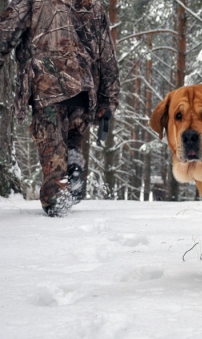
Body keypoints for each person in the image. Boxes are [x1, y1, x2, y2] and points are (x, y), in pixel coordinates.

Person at [0, 0, 120, 217]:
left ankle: (58, 198)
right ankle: (72, 160)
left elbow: (5, 31)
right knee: (72, 134)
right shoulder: (92, 4)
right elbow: (107, 55)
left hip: (47, 88)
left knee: (53, 159)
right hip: (84, 90)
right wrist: (108, 100)